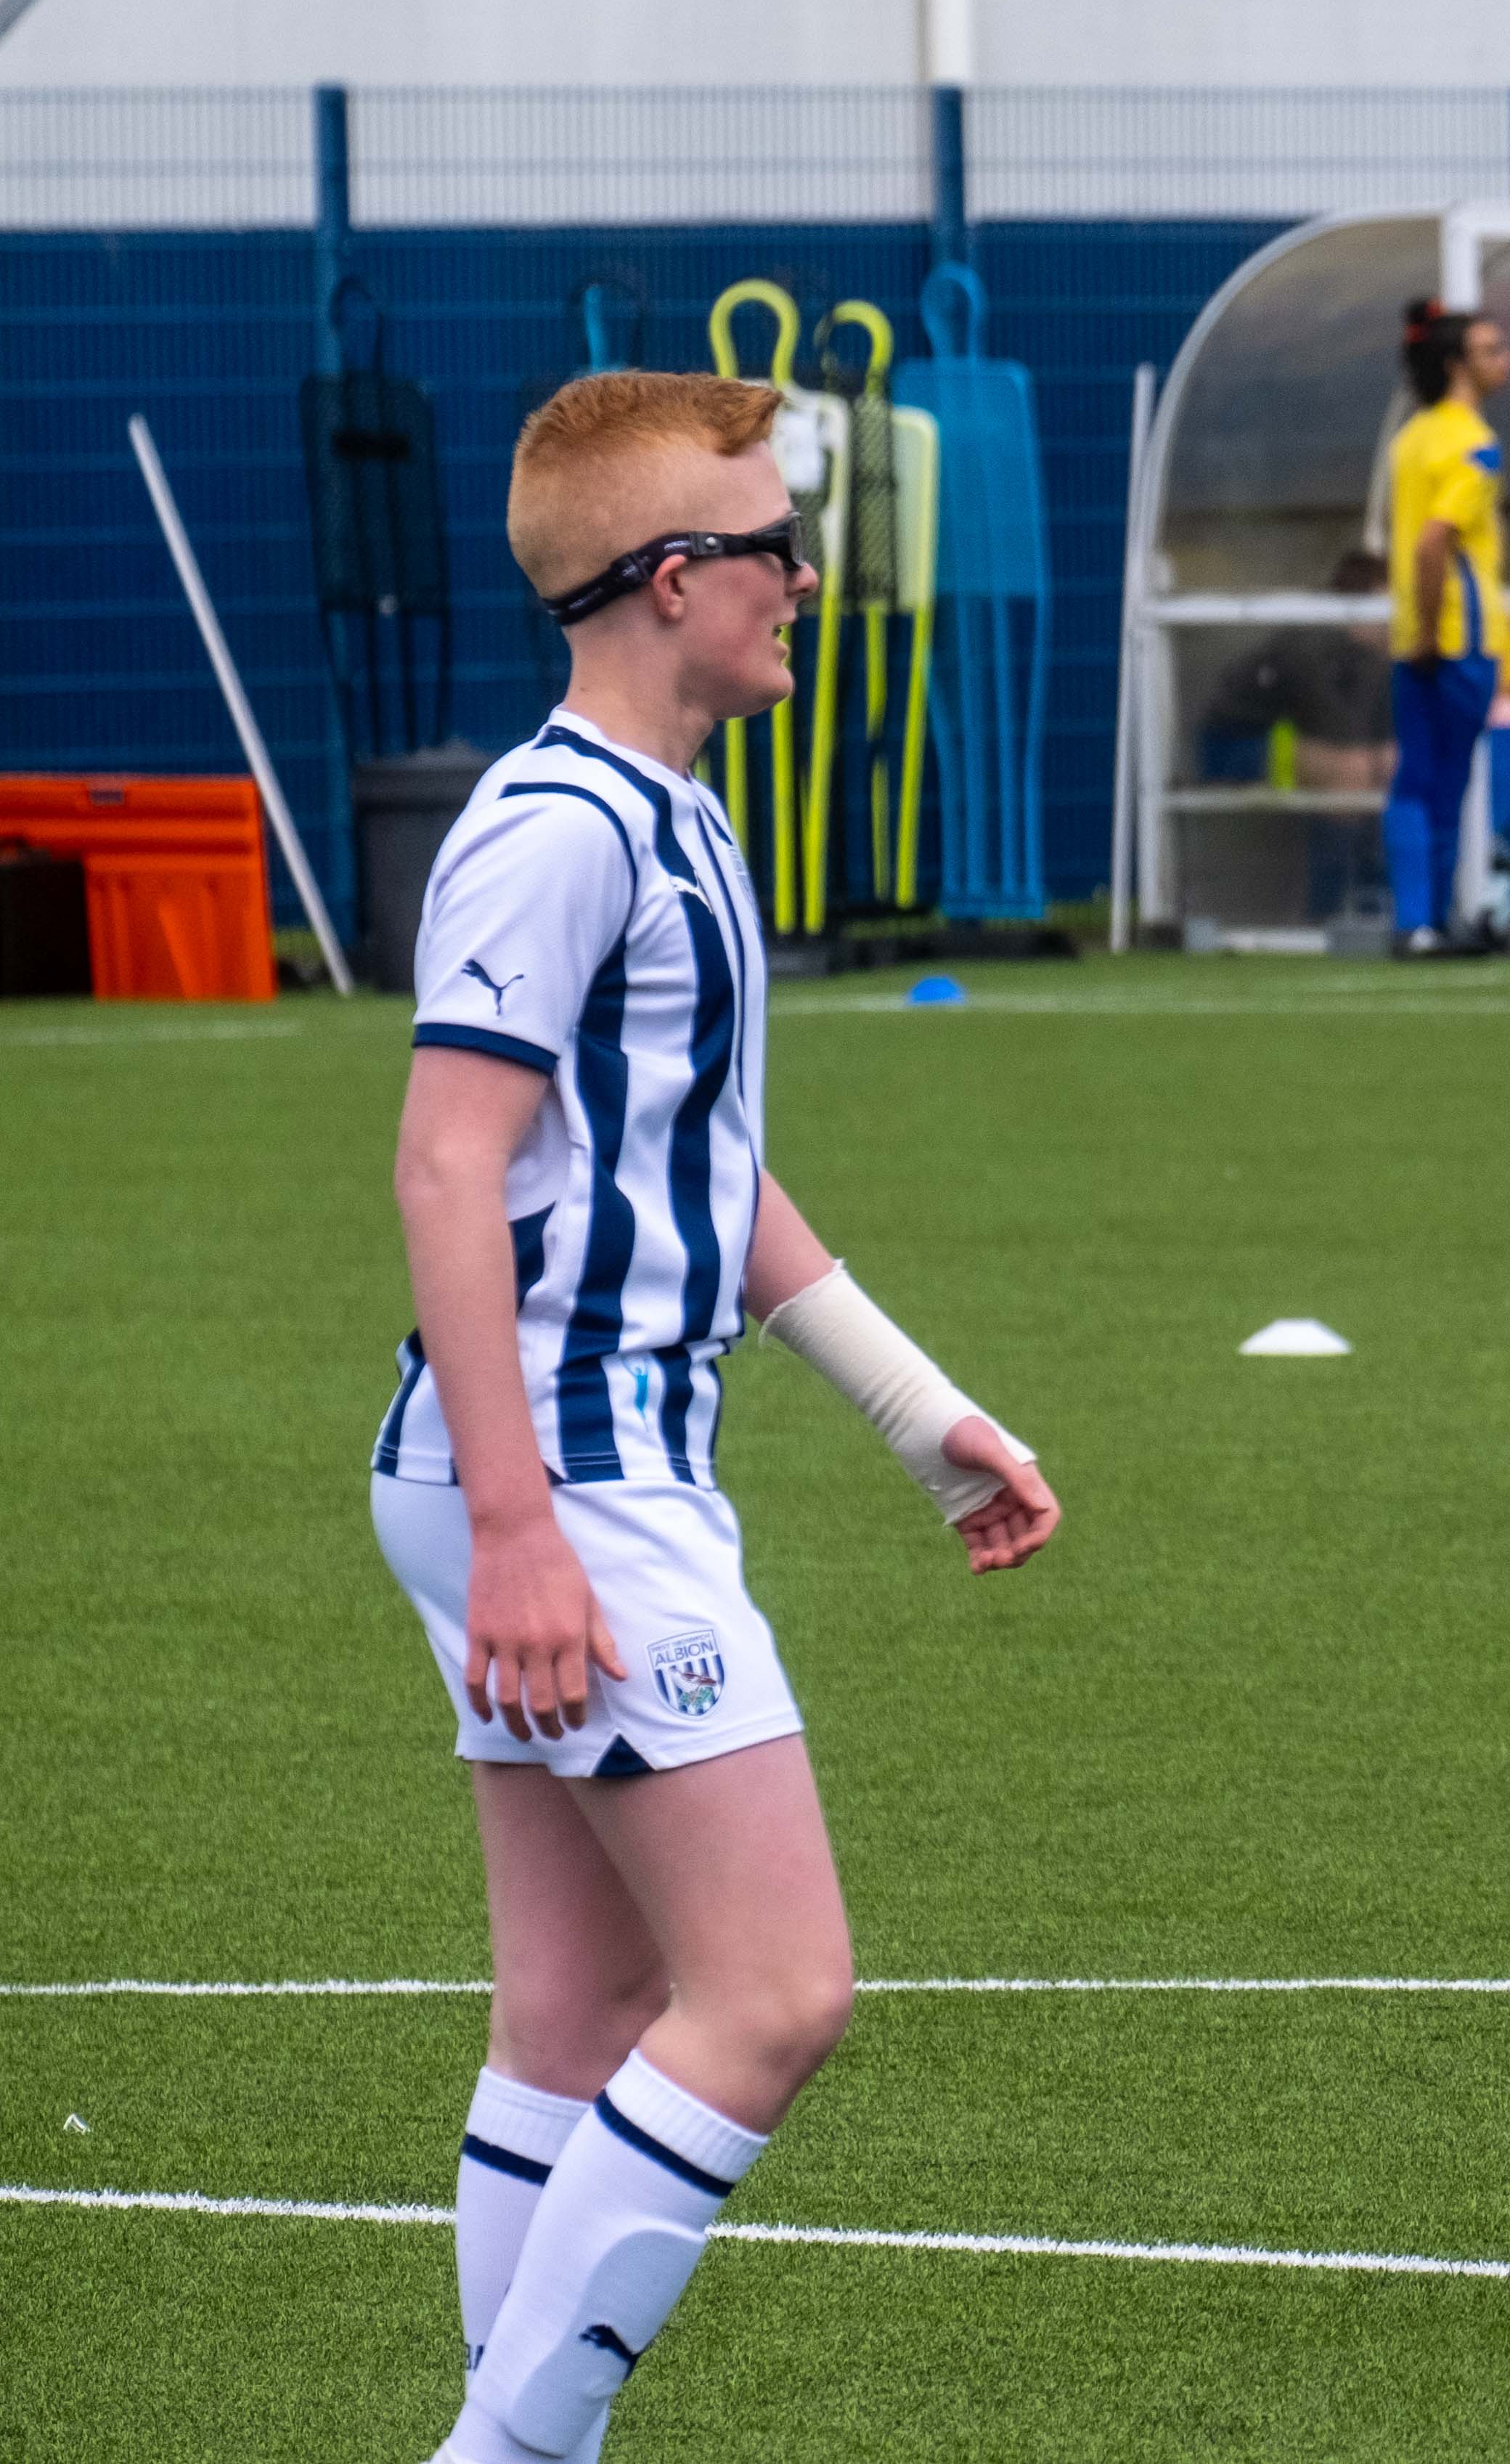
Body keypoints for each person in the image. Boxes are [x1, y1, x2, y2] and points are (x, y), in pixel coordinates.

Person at [380, 371, 1059, 2463]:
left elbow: (702, 1165)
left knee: (579, 2016)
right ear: (675, 583)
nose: (805, 585)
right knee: (773, 1995)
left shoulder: (674, 809)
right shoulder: (565, 826)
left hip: (575, 1468)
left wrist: (918, 1407)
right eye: (778, 549)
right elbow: (441, 1160)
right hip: (559, 1477)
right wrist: (520, 1522)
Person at [1385, 301, 1510, 955]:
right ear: (1456, 365)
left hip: (1409, 632)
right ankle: (1431, 918)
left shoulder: (1411, 437)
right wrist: (1438, 632)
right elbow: (1435, 539)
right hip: (1456, 636)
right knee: (1448, 780)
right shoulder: (1475, 443)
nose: (1506, 359)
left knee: (1414, 777)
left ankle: (1418, 920)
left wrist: (1417, 629)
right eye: (1492, 349)